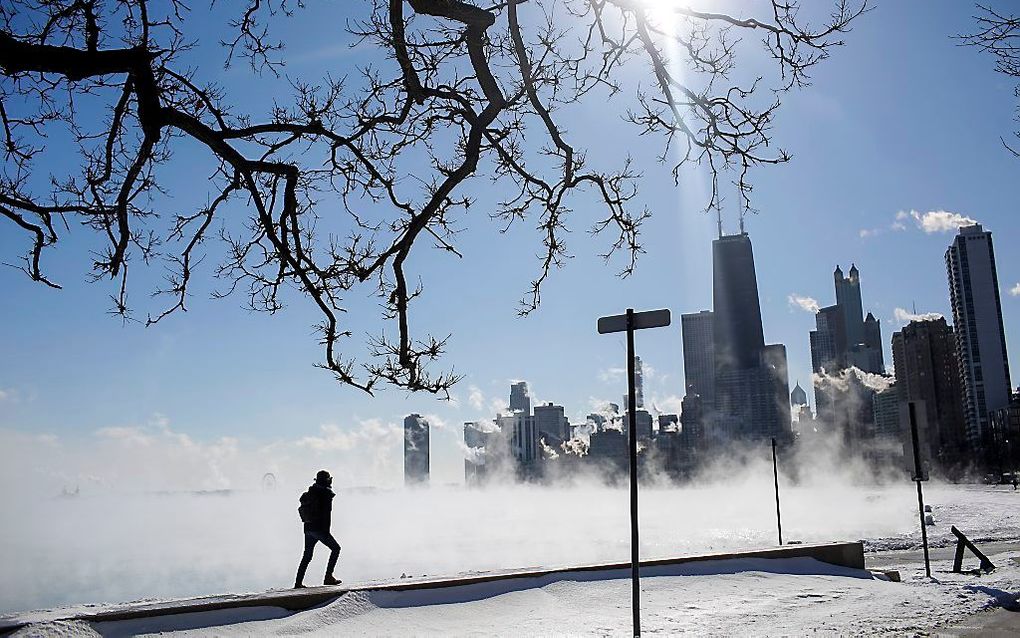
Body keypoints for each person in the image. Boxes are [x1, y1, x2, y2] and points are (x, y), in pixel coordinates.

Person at [294, 470, 342, 588]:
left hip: (308, 528)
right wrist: (326, 532)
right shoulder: (326, 494)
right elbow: (326, 514)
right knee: (336, 548)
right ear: (327, 481)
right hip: (320, 529)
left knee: (307, 556)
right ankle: (328, 577)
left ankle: (298, 583)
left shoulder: (310, 493)